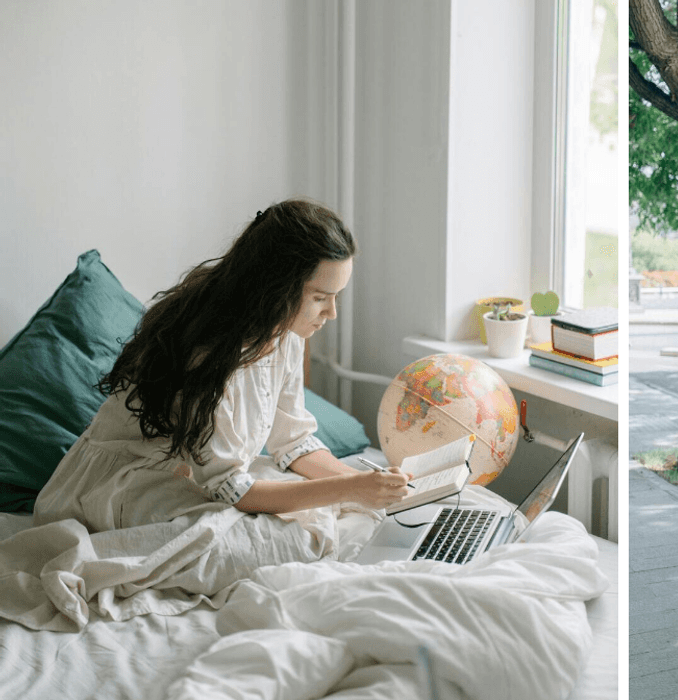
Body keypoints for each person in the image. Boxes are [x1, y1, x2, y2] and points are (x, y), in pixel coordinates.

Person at [33, 198, 411, 533]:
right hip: (120, 485)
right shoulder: (209, 353)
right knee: (273, 535)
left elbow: (293, 442)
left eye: (336, 297)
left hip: (194, 477)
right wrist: (351, 489)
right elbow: (232, 488)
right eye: (320, 297)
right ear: (275, 287)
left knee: (322, 516)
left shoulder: (287, 336)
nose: (330, 313)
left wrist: (367, 481)